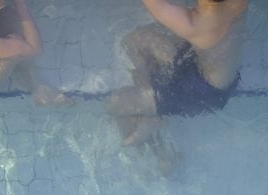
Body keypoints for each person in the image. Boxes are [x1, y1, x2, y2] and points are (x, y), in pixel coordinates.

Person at [105, 0, 247, 146]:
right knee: (135, 40)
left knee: (114, 104)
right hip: (211, 70)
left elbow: (158, 5)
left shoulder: (195, 25)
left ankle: (161, 152)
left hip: (200, 93)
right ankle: (153, 112)